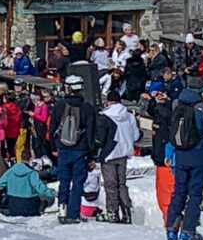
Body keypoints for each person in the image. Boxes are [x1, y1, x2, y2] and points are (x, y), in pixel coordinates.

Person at [164, 87, 203, 240]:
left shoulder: (177, 106)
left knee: (179, 191)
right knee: (195, 193)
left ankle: (171, 228)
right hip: (199, 154)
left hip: (180, 155)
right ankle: (188, 230)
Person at [52, 74, 95, 223]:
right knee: (78, 182)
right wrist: (91, 155)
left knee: (63, 181)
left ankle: (62, 208)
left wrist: (53, 146)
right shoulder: (88, 108)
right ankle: (73, 213)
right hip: (80, 150)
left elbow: (52, 128)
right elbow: (90, 133)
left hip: (63, 149)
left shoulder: (59, 105)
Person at [100, 94, 140, 223]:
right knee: (121, 184)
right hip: (124, 153)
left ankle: (112, 212)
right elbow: (135, 136)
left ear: (109, 101)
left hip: (109, 154)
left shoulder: (105, 115)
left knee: (110, 184)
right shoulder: (129, 115)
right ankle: (127, 212)